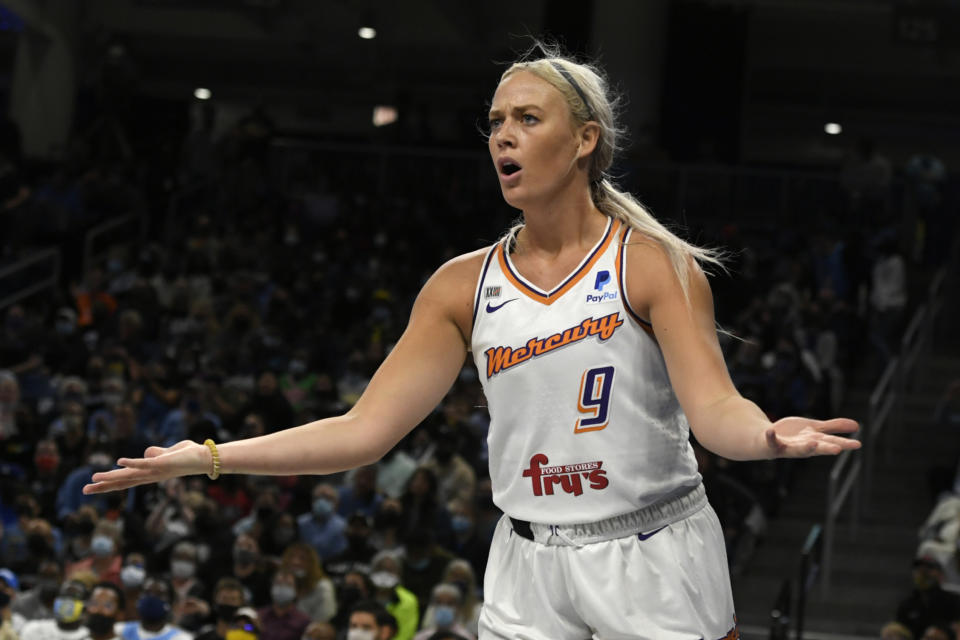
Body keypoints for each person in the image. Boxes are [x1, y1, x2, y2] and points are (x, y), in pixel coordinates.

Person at [83, 44, 861, 637]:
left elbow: (715, 409)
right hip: (526, 557)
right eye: (494, 122)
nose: (502, 137)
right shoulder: (461, 285)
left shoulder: (652, 262)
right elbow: (361, 432)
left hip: (652, 550)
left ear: (585, 139)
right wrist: (209, 458)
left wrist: (767, 434)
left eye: (527, 119)